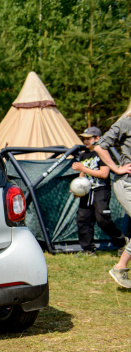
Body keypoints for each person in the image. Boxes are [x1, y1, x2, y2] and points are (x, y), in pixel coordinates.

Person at [71, 126, 127, 256]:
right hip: (87, 192)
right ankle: (88, 250)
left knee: (103, 219)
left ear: (97, 139)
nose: (85, 141)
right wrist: (78, 189)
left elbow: (104, 174)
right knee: (83, 220)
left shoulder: (102, 152)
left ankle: (122, 242)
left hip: (100, 191)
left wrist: (83, 169)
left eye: (88, 138)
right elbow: (82, 175)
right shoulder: (83, 154)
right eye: (84, 139)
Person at [94, 101, 131, 288]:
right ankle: (120, 267)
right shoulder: (126, 122)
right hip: (127, 184)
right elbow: (100, 146)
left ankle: (120, 267)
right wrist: (116, 168)